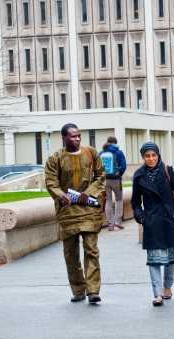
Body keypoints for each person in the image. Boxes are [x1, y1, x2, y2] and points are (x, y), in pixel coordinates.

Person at [45, 124, 106, 304]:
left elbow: (101, 176)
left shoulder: (91, 153)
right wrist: (61, 196)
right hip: (68, 211)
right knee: (71, 253)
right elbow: (51, 182)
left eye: (79, 136)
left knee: (91, 250)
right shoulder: (55, 158)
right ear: (64, 138)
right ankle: (78, 289)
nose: (77, 139)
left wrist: (91, 192)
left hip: (89, 209)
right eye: (73, 136)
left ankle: (93, 290)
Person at [131, 142, 174, 307]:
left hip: (170, 220)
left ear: (158, 155)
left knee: (170, 258)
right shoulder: (139, 176)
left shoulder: (168, 171)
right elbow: (135, 202)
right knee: (154, 260)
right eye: (147, 156)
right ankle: (157, 294)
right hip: (152, 222)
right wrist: (141, 217)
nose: (151, 159)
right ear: (143, 157)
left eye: (153, 155)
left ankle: (167, 286)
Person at [99, 136, 127, 231]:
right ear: (115, 143)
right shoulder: (118, 152)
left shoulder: (101, 153)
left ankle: (110, 224)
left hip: (105, 180)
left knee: (108, 201)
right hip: (116, 180)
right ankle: (117, 223)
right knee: (119, 200)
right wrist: (119, 174)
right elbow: (123, 166)